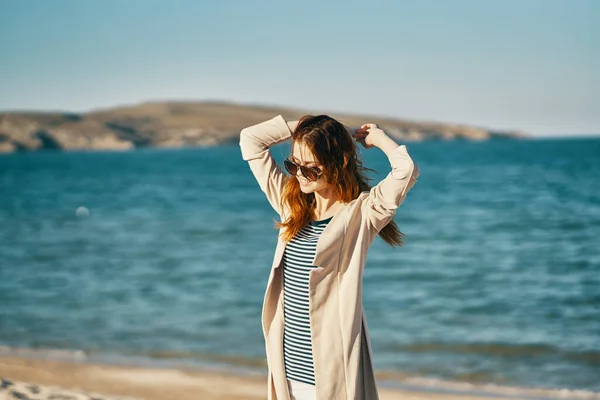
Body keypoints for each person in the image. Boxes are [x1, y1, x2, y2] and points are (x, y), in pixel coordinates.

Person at [239, 114, 419, 400]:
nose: (299, 175)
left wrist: (378, 139)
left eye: (311, 169)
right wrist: (309, 128)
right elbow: (251, 140)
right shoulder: (291, 205)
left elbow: (406, 171)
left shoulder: (361, 215)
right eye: (293, 165)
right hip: (286, 369)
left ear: (336, 166)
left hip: (329, 374)